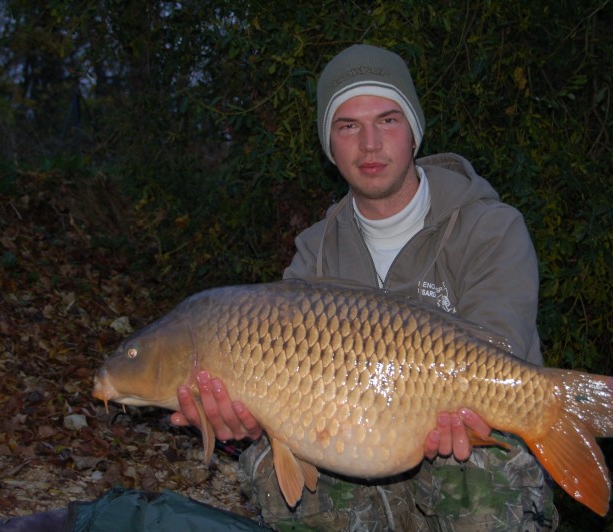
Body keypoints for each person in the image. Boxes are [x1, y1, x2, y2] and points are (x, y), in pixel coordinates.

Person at [172, 44, 558, 530]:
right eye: (348, 126)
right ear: (329, 146)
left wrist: (473, 416)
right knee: (270, 461)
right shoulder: (314, 254)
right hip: (362, 464)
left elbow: (499, 354)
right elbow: (277, 397)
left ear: (414, 131)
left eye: (388, 120)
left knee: (477, 467)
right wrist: (240, 427)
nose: (369, 144)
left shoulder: (491, 230)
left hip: (462, 450)